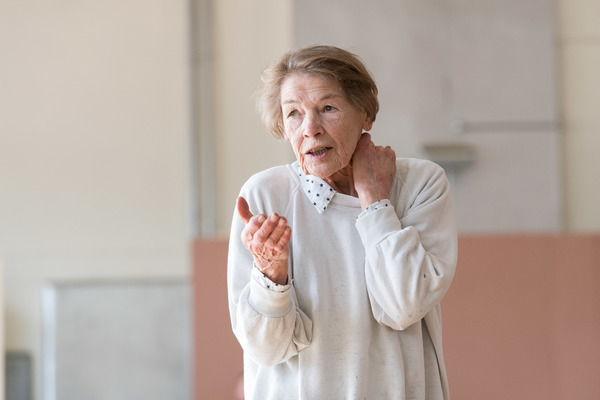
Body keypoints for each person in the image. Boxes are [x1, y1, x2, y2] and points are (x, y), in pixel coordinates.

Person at [227, 44, 458, 400]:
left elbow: (404, 307)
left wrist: (375, 200)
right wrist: (272, 276)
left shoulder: (419, 184)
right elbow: (266, 350)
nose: (310, 129)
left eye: (328, 108)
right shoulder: (265, 195)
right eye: (293, 114)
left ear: (366, 114)